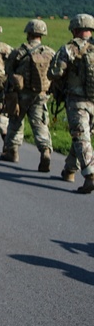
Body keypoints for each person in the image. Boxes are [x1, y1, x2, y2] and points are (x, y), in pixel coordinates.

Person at [0, 19, 55, 170]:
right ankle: (45, 150)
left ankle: (12, 152)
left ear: (28, 33)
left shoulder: (18, 52)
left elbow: (8, 71)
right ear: (42, 34)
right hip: (41, 95)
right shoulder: (49, 53)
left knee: (15, 121)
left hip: (20, 95)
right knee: (40, 124)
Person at [48, 13, 94, 193]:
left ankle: (90, 175)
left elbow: (54, 72)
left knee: (80, 136)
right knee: (83, 135)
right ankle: (69, 170)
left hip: (77, 101)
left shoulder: (70, 48)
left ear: (74, 30)